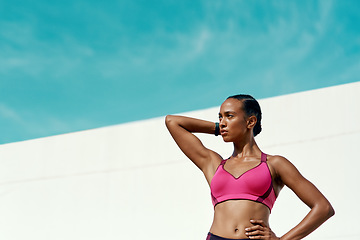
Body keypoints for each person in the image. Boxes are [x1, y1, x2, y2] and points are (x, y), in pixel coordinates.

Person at [165, 94, 334, 240]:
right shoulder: (214, 164)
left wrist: (283, 239)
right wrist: (219, 128)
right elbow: (172, 121)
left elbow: (323, 208)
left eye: (229, 116)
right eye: (220, 117)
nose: (223, 122)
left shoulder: (274, 164)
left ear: (251, 121)